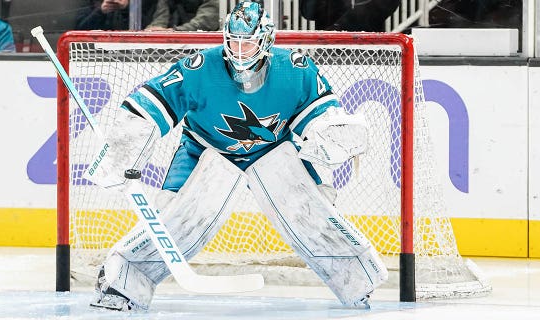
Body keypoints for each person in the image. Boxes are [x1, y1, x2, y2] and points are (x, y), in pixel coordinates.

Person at [89, 1, 388, 313]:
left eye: (248, 42)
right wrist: (126, 143)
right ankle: (120, 283)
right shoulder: (200, 68)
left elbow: (322, 114)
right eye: (234, 41)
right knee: (173, 220)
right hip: (204, 148)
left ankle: (357, 281)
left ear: (266, 41)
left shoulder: (295, 69)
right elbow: (150, 102)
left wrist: (333, 132)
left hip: (274, 150)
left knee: (314, 212)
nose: (240, 50)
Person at [300, 0, 400, 31]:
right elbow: (308, 12)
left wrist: (343, 23)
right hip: (328, 50)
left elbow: (388, 4)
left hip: (369, 47)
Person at [75, 0, 160, 30]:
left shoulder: (140, 3)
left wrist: (126, 8)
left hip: (131, 52)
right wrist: (101, 11)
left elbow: (145, 28)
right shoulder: (93, 3)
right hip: (96, 52)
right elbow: (80, 27)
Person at [144, 0, 219, 31]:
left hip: (203, 46)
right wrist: (154, 30)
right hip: (170, 45)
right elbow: (161, 17)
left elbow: (206, 22)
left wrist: (174, 31)